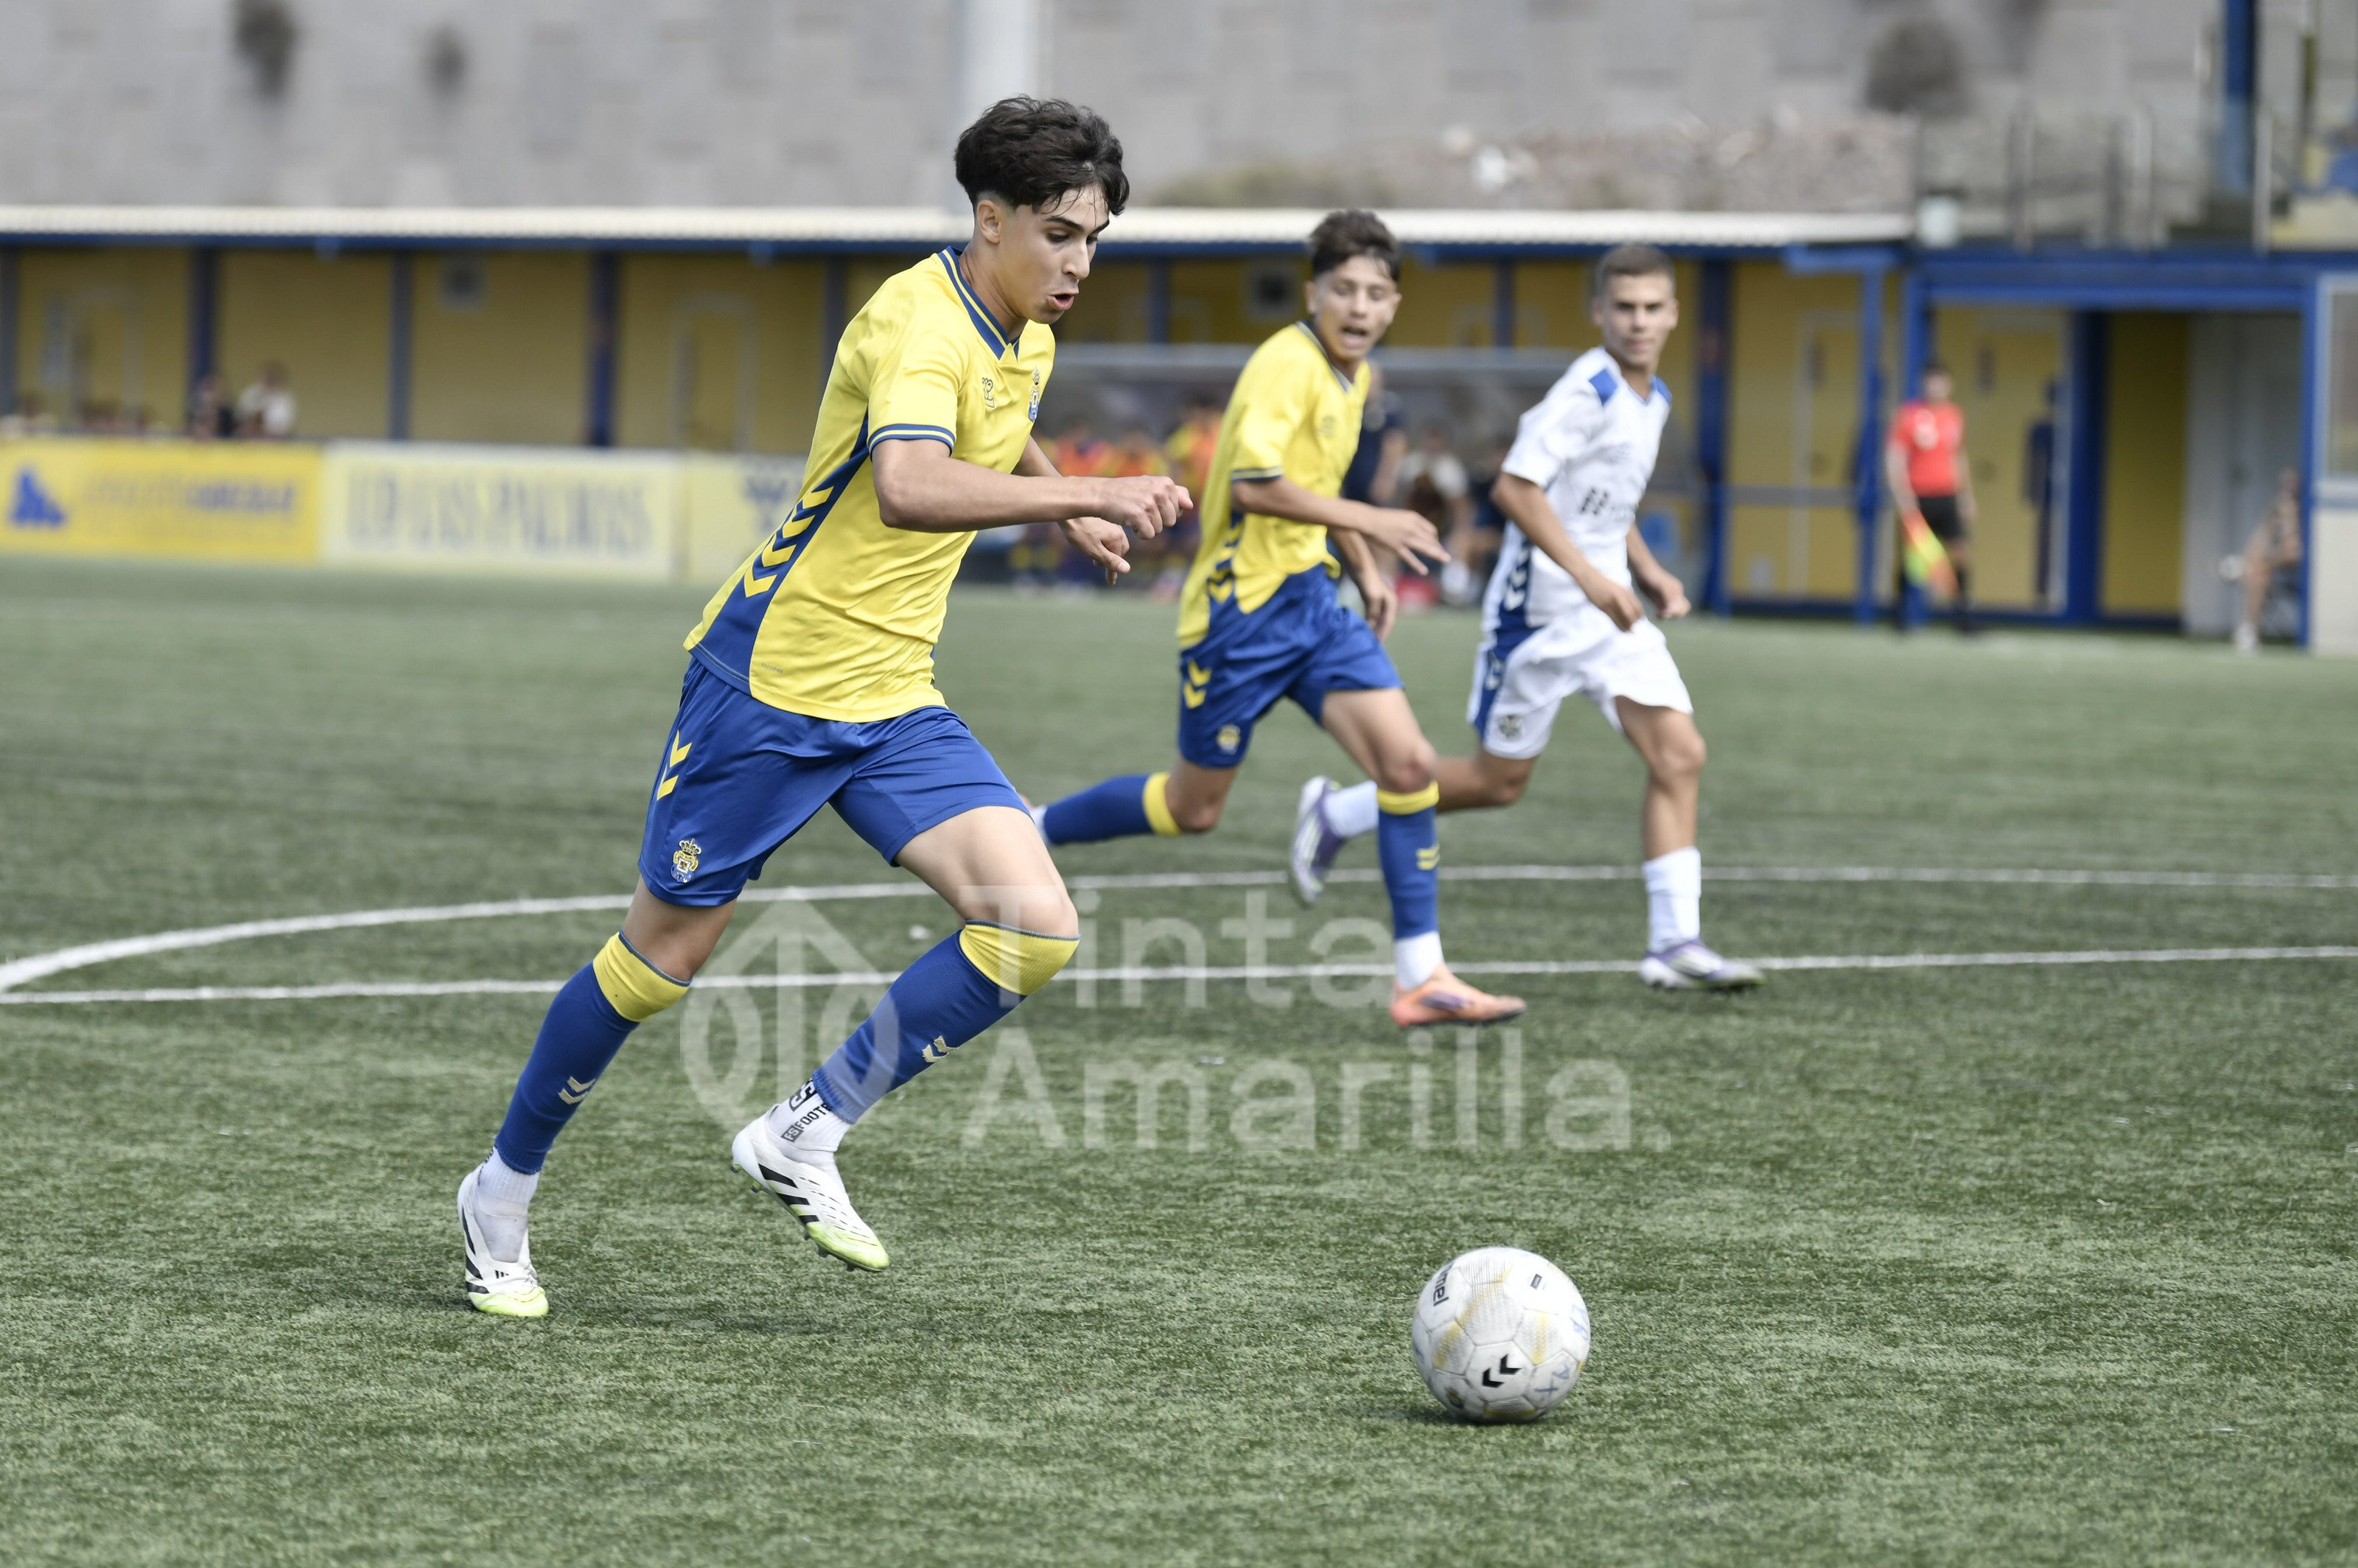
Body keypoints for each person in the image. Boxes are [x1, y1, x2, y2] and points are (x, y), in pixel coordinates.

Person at [455, 97, 1189, 1317]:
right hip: (774, 688)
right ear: (989, 217)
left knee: (1033, 926)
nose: (1079, 263)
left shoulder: (1024, 335)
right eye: (1060, 233)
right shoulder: (917, 322)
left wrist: (1073, 492)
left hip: (893, 698)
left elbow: (996, 439)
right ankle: (502, 1187)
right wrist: (1082, 502)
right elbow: (905, 482)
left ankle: (802, 1129)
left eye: (1096, 239)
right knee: (662, 959)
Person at [1032, 210, 1525, 1029]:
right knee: (1195, 810)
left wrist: (1359, 567)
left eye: (1374, 293)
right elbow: (1259, 484)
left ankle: (1421, 977)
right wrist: (1375, 526)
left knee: (1407, 768)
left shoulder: (1355, 378)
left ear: (1394, 303)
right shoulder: (1284, 366)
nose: (1358, 308)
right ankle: (1034, 826)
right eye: (1342, 291)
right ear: (1313, 293)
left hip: (1310, 604)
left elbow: (1310, 484)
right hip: (1239, 618)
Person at [1292, 245, 1762, 992]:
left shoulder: (1652, 398)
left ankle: (1673, 943)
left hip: (1607, 613)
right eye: (1624, 308)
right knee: (1495, 782)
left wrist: (1644, 571)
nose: (1638, 322)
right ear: (1598, 314)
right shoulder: (1589, 389)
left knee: (1680, 756)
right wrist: (1590, 579)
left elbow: (1607, 500)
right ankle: (1339, 811)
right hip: (1537, 618)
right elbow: (1516, 490)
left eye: (1651, 308)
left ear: (1671, 314)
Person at [1885, 361, 1974, 632]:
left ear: (1949, 384)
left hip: (1947, 495)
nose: (1935, 386)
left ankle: (1962, 617)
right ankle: (1902, 616)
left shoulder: (1955, 416)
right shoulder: (1908, 415)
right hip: (1918, 497)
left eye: (1940, 380)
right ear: (1923, 383)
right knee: (1913, 559)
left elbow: (1958, 456)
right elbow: (1895, 456)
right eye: (1930, 380)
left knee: (1960, 553)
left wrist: (1966, 495)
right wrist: (1902, 494)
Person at [2222, 467, 2303, 653]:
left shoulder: (2295, 510)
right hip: (2271, 561)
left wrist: (2267, 563)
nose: (2286, 490)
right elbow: (2262, 538)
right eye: (2284, 484)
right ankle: (2245, 563)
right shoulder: (2278, 509)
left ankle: (2248, 627)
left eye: (2291, 485)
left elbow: (2294, 553)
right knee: (2257, 570)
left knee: (2258, 574)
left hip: (2293, 567)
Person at [1396, 423, 1479, 604]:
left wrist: (1460, 531)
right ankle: (1386, 584)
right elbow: (1400, 501)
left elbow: (1460, 509)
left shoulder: (1451, 469)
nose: (1432, 444)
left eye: (1437, 439)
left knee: (1463, 540)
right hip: (1411, 527)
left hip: (1442, 531)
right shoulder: (1410, 465)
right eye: (1429, 438)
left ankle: (1455, 591)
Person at [234, 362, 298, 438]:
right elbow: (239, 417)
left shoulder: (286, 399)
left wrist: (267, 429)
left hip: (276, 442)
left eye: (273, 378)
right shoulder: (250, 393)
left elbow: (288, 427)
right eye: (267, 376)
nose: (269, 380)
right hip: (248, 440)